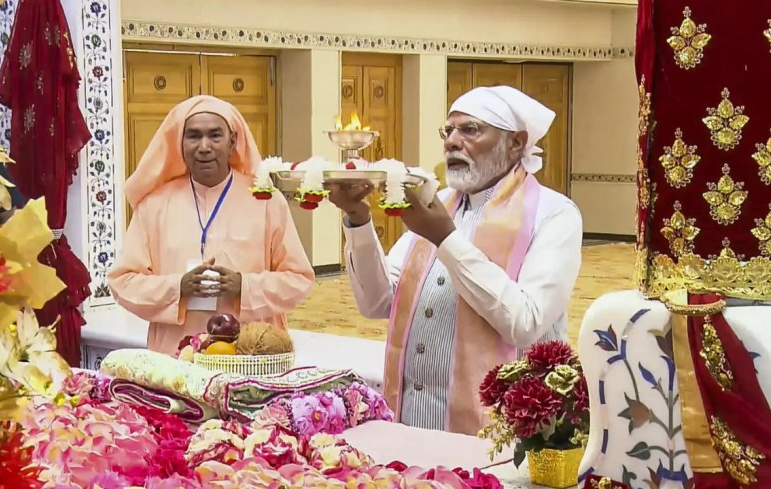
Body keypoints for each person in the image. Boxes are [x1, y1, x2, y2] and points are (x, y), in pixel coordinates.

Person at [327, 86, 583, 435]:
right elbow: (377, 302)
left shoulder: (553, 215)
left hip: (498, 434)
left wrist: (445, 238)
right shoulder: (437, 203)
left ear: (516, 142)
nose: (452, 142)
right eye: (448, 131)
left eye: (470, 130)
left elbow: (525, 323)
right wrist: (358, 219)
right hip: (412, 422)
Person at [109, 95, 315, 354]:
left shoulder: (265, 200)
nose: (204, 146)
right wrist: (177, 288)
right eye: (193, 136)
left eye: (215, 136)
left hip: (250, 354)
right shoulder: (155, 204)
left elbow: (299, 279)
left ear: (233, 142)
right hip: (175, 358)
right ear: (180, 143)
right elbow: (123, 281)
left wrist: (244, 287)